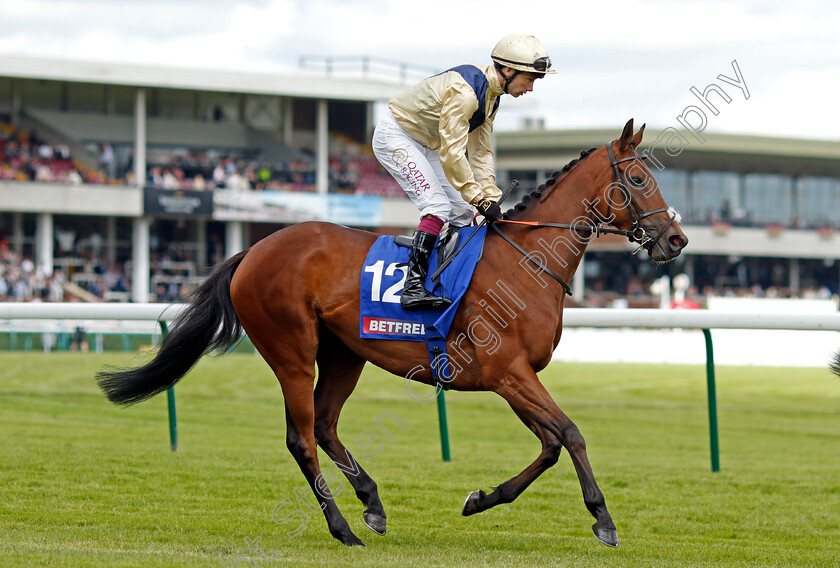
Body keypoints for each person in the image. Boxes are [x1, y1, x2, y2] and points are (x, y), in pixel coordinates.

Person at [372, 33, 555, 310]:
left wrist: (490, 197)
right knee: (436, 207)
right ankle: (412, 287)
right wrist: (477, 197)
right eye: (529, 79)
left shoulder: (491, 97)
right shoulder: (467, 94)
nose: (530, 88)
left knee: (464, 213)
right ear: (508, 70)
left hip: (428, 144)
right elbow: (453, 152)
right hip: (396, 136)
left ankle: (447, 279)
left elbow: (480, 153)